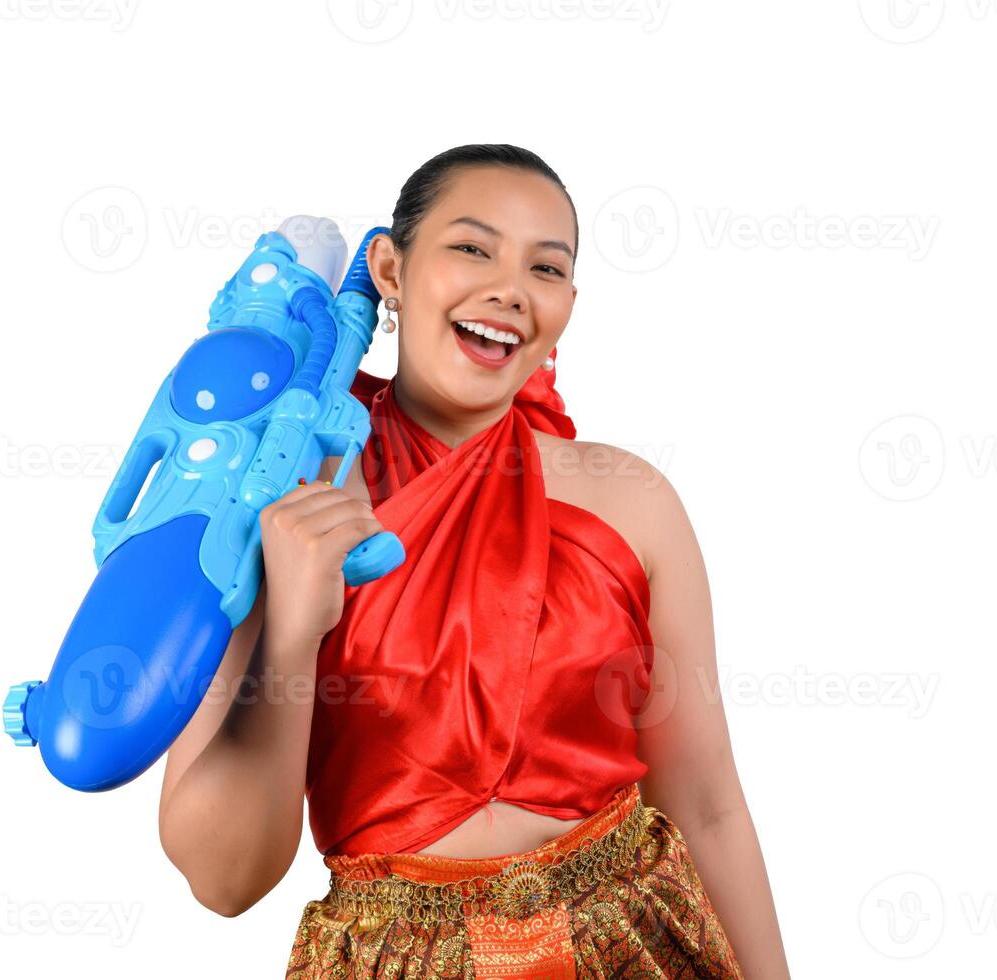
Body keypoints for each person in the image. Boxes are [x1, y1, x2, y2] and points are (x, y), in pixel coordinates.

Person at [157, 144, 791, 978]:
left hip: (634, 945)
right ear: (388, 266)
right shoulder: (276, 501)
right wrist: (292, 637)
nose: (509, 289)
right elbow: (225, 880)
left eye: (547, 268)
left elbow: (707, 809)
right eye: (471, 247)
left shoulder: (631, 501)